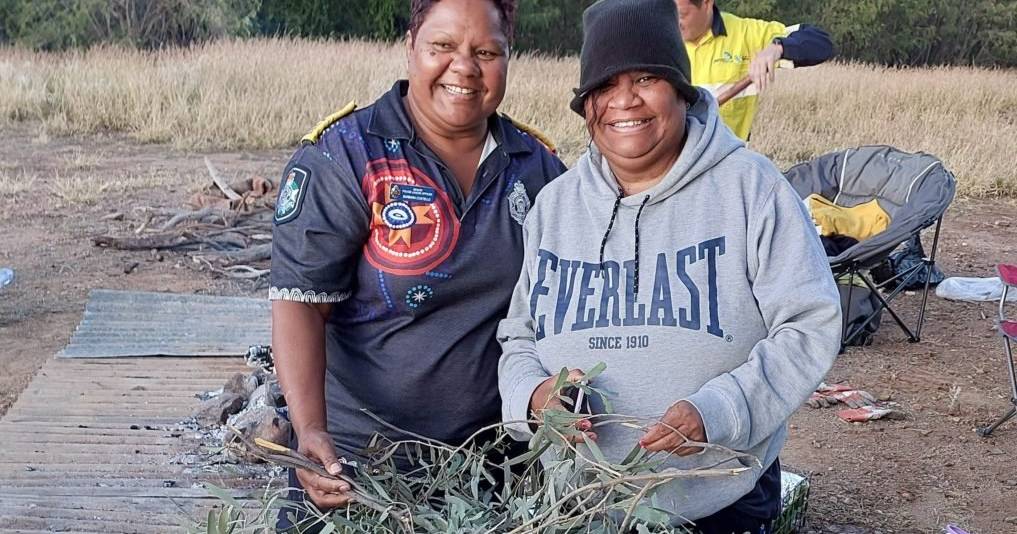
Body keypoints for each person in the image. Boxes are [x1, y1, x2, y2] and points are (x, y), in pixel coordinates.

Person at [498, 0, 841, 532]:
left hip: (718, 501)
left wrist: (720, 410)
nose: (624, 100)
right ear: (586, 104)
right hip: (580, 505)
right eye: (605, 85)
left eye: (647, 78)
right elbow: (519, 336)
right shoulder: (555, 206)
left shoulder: (753, 189)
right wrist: (533, 397)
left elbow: (811, 324)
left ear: (681, 89)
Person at [269, 0, 565, 528]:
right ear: (411, 45)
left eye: (486, 51)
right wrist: (310, 429)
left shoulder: (536, 167)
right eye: (442, 46)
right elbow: (299, 305)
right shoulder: (347, 157)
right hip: (358, 471)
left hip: (492, 476)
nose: (465, 67)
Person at [676, 0, 834, 141]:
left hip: (728, 163)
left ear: (707, 3)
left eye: (681, 14)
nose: (674, 22)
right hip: (669, 163)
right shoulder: (659, 36)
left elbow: (821, 43)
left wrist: (778, 48)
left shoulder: (746, 34)